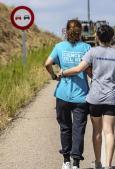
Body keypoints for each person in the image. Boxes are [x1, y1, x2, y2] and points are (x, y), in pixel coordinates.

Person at [60, 25, 115, 169]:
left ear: (97, 37)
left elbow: (79, 69)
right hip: (111, 97)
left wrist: (63, 73)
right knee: (109, 131)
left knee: (97, 131)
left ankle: (98, 162)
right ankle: (108, 165)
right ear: (112, 37)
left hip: (95, 97)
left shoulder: (92, 52)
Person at [44, 19, 91, 169]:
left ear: (66, 31)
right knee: (78, 129)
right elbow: (91, 71)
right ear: (80, 31)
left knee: (65, 127)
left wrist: (53, 76)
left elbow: (47, 63)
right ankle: (76, 163)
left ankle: (66, 161)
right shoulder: (86, 47)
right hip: (82, 95)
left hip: (62, 94)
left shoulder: (59, 46)